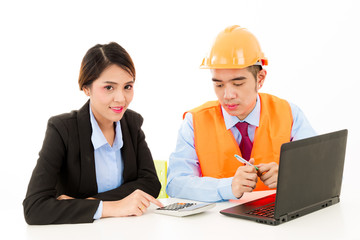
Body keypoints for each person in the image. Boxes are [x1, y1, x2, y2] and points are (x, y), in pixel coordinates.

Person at [166, 25, 316, 202]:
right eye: (219, 85)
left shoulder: (289, 114)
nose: (228, 95)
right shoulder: (194, 122)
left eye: (237, 84)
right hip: (214, 225)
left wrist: (289, 176)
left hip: (275, 223)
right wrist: (227, 187)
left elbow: (321, 170)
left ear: (260, 79)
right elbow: (175, 184)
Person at [23, 42, 163, 225]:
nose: (121, 98)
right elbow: (34, 208)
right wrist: (111, 207)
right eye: (109, 87)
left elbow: (150, 183)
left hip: (128, 230)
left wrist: (86, 203)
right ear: (86, 88)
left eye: (127, 86)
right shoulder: (62, 129)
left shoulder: (132, 123)